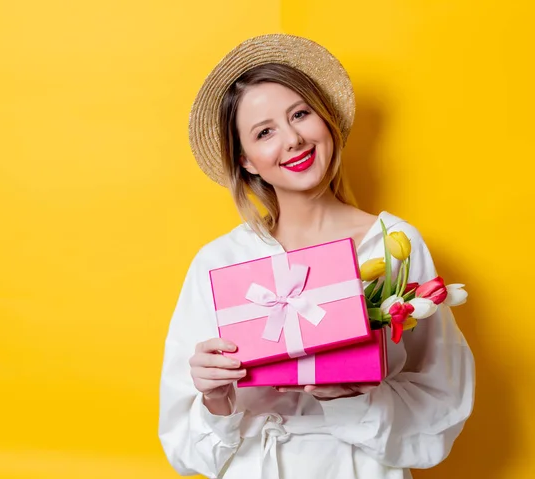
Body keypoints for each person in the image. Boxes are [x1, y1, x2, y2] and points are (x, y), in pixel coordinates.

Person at [158, 34, 475, 479]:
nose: (293, 139)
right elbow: (185, 448)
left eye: (300, 114)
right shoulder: (219, 261)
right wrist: (214, 397)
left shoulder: (391, 243)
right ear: (246, 160)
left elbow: (442, 395)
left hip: (360, 469)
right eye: (264, 132)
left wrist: (348, 397)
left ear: (325, 121)